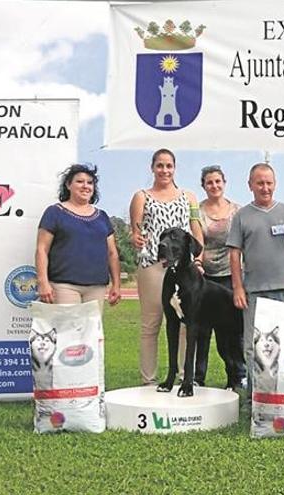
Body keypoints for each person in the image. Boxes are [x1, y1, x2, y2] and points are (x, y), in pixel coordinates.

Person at [227, 163, 284, 399]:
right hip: (254, 293)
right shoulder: (242, 216)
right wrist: (238, 287)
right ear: (250, 185)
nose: (265, 188)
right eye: (259, 183)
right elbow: (234, 254)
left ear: (275, 184)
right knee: (254, 347)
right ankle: (257, 398)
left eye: (269, 183)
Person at [129, 149, 205, 385]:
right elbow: (135, 231)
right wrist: (136, 239)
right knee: (151, 324)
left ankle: (184, 376)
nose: (164, 170)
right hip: (153, 264)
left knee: (186, 324)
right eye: (160, 165)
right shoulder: (141, 196)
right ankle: (149, 380)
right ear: (152, 168)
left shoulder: (189, 196)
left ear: (175, 168)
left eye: (169, 166)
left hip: (184, 267)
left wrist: (199, 260)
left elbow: (195, 227)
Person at [35, 164, 121, 310]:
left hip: (97, 287)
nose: (85, 186)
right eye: (80, 181)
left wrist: (116, 285)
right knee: (68, 330)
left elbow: (112, 253)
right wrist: (43, 282)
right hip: (64, 286)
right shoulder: (55, 212)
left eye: (90, 182)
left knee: (91, 332)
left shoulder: (102, 217)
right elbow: (42, 249)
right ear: (68, 185)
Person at [195, 164, 245, 386]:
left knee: (231, 332)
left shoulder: (237, 210)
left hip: (231, 277)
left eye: (217, 181)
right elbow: (198, 241)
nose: (214, 185)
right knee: (202, 332)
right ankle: (197, 378)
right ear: (204, 185)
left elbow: (243, 243)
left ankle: (237, 377)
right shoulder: (196, 210)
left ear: (224, 183)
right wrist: (197, 263)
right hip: (205, 278)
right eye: (209, 182)